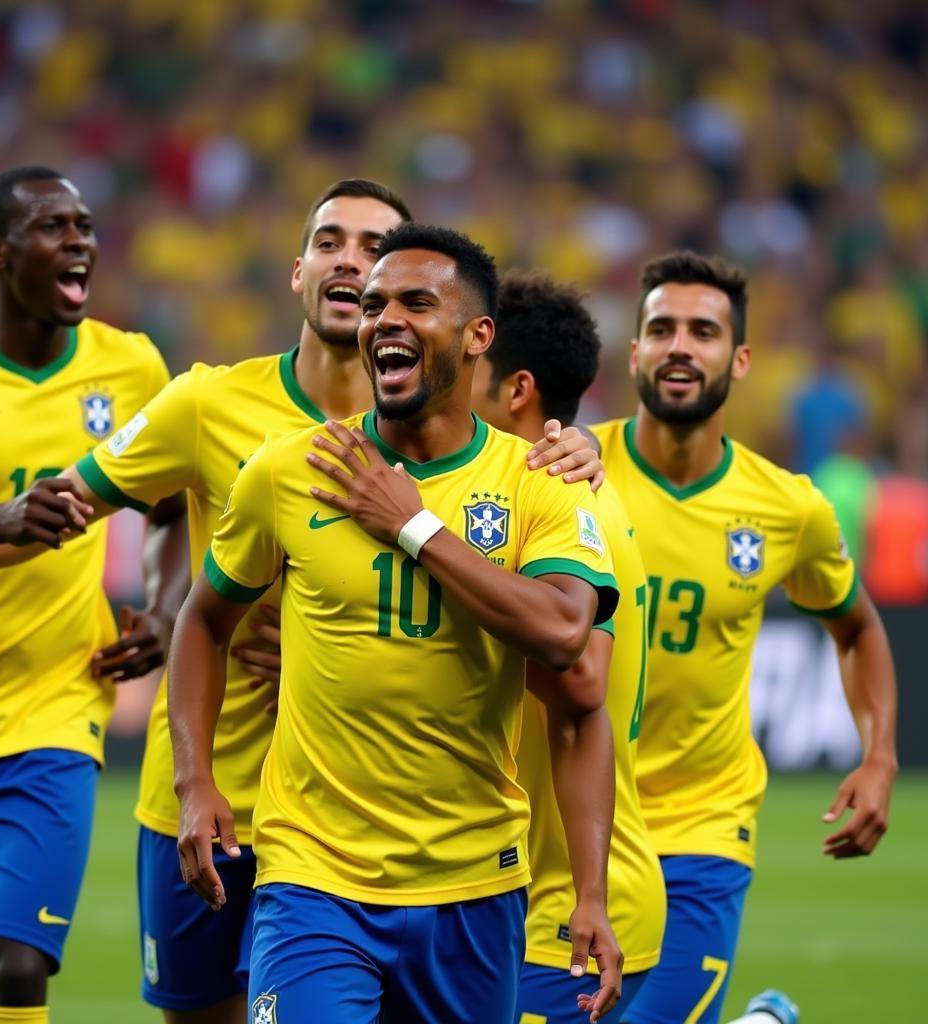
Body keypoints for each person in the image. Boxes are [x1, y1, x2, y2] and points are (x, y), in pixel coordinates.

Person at [59, 182, 602, 1023]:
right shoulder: (282, 462)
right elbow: (202, 607)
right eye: (374, 297)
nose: (382, 311)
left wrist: (412, 525)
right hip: (302, 856)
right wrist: (194, 774)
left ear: (477, 334)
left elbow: (569, 643)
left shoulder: (536, 478)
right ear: (303, 273)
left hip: (470, 874)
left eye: (414, 300)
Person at [590, 251, 898, 1024]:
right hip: (581, 821)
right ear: (634, 354)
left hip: (705, 820)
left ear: (741, 357)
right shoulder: (571, 471)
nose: (680, 347)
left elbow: (855, 626)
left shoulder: (787, 508)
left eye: (703, 330)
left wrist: (880, 757)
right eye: (660, 329)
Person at [0, 167, 177, 1024]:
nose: (79, 242)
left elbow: (173, 511)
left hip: (57, 707)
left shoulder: (131, 366)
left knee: (16, 965)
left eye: (84, 225)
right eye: (52, 227)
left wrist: (165, 609)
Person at [471, 271, 666, 1023]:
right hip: (530, 896)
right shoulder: (558, 486)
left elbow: (578, 674)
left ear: (516, 390)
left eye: (469, 362)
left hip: (568, 912)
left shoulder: (565, 502)